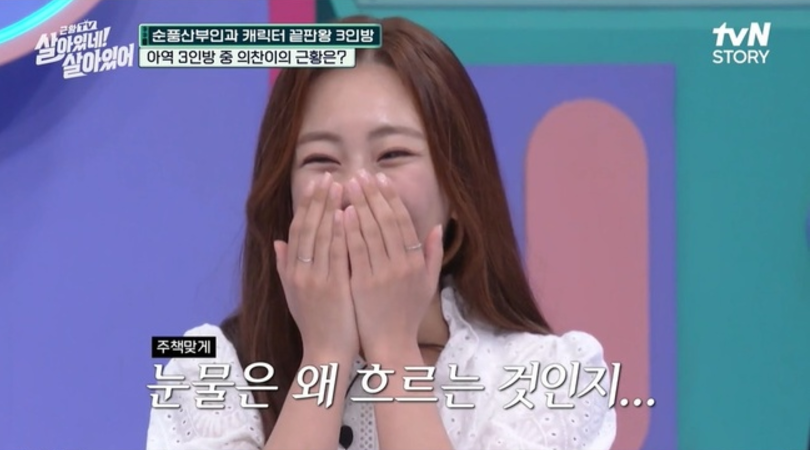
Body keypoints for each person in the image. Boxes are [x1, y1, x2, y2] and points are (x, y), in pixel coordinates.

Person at [145, 15, 617, 450]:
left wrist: (393, 348)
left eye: (392, 155)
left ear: (457, 189)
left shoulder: (552, 377)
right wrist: (325, 356)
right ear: (284, 196)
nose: (355, 187)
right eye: (321, 160)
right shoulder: (207, 366)